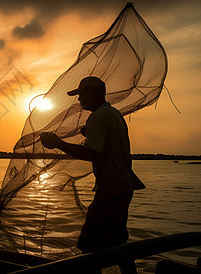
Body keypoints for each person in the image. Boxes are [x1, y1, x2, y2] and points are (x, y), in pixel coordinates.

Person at [40, 76, 145, 274]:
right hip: (124, 186)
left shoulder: (97, 117)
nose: (79, 100)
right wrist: (89, 133)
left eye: (81, 95)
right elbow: (107, 146)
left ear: (94, 94)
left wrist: (58, 144)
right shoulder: (114, 114)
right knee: (119, 242)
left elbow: (92, 154)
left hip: (111, 189)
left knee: (90, 245)